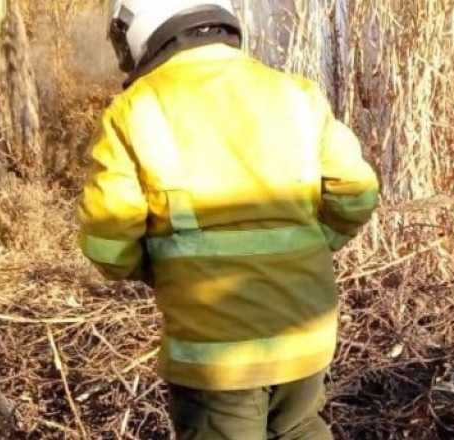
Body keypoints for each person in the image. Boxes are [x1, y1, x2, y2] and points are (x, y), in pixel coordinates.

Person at [78, 1, 379, 438]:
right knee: (299, 427)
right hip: (306, 333)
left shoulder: (136, 109)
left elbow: (107, 239)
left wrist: (163, 269)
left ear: (138, 30)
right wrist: (312, 245)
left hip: (215, 350)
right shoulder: (295, 93)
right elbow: (357, 193)